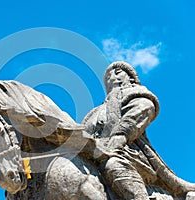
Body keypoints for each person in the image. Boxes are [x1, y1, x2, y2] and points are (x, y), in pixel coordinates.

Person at [83, 61, 195, 199]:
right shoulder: (96, 110)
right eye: (107, 77)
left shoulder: (135, 93)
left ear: (130, 78)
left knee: (114, 166)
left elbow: (143, 108)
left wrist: (120, 136)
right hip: (93, 150)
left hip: (126, 151)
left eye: (117, 73)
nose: (111, 77)